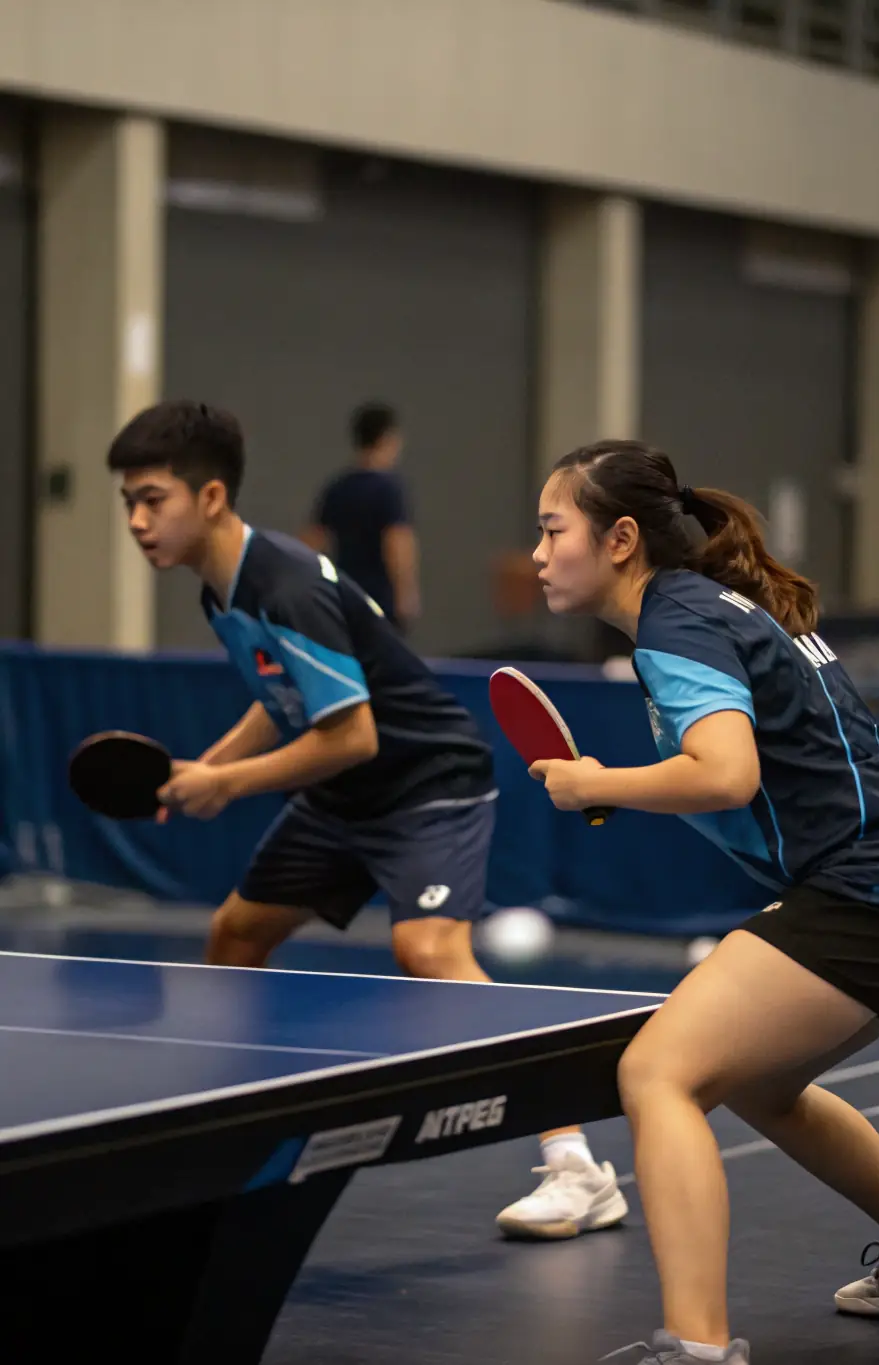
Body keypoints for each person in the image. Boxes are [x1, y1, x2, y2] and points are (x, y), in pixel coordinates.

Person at [105, 399, 626, 1240]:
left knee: (427, 952)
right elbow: (285, 700)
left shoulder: (280, 584)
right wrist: (210, 763)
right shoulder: (223, 587)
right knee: (236, 935)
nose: (135, 519)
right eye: (127, 500)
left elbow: (350, 733)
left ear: (208, 497)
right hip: (345, 794)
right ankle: (230, 1133)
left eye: (151, 499)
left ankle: (578, 1167)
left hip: (425, 781)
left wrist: (227, 785)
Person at [528, 440, 879, 1365]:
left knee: (658, 1072)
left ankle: (695, 1347)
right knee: (757, 1082)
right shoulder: (709, 606)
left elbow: (725, 773)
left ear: (621, 538)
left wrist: (597, 785)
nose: (539, 555)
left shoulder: (678, 623)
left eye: (553, 531)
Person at [302, 402, 421, 632]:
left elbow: (311, 542)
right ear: (388, 438)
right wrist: (406, 593)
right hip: (380, 600)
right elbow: (396, 542)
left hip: (346, 596)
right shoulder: (390, 488)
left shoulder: (338, 488)